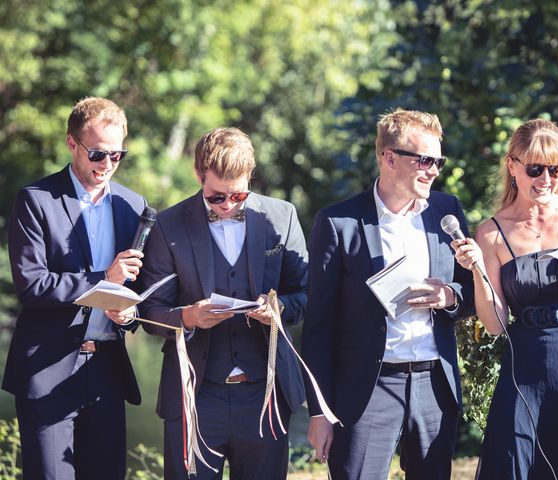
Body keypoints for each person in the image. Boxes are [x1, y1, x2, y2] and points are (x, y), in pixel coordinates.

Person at [301, 108, 475, 480]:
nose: (433, 170)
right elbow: (318, 325)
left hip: (433, 385)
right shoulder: (338, 222)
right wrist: (318, 411)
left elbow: (473, 290)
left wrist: (450, 297)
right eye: (425, 160)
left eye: (438, 162)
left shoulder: (448, 211)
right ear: (389, 158)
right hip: (367, 389)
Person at [452, 118, 558, 479]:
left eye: (555, 168)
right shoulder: (491, 232)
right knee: (516, 462)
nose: (546, 179)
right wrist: (479, 271)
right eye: (535, 169)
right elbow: (495, 325)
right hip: (526, 367)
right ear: (512, 166)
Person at [138, 127, 307, 479]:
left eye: (238, 195)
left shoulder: (282, 216)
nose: (228, 206)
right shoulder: (168, 225)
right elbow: (150, 313)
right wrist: (188, 316)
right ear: (199, 174)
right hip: (195, 397)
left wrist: (279, 309)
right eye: (217, 197)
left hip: (266, 396)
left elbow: (307, 295)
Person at [3, 97, 147, 479]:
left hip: (107, 371)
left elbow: (138, 288)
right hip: (47, 368)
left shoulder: (134, 205)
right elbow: (32, 285)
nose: (107, 166)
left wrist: (131, 313)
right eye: (98, 154)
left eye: (118, 156)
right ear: (72, 144)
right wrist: (104, 279)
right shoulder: (36, 200)